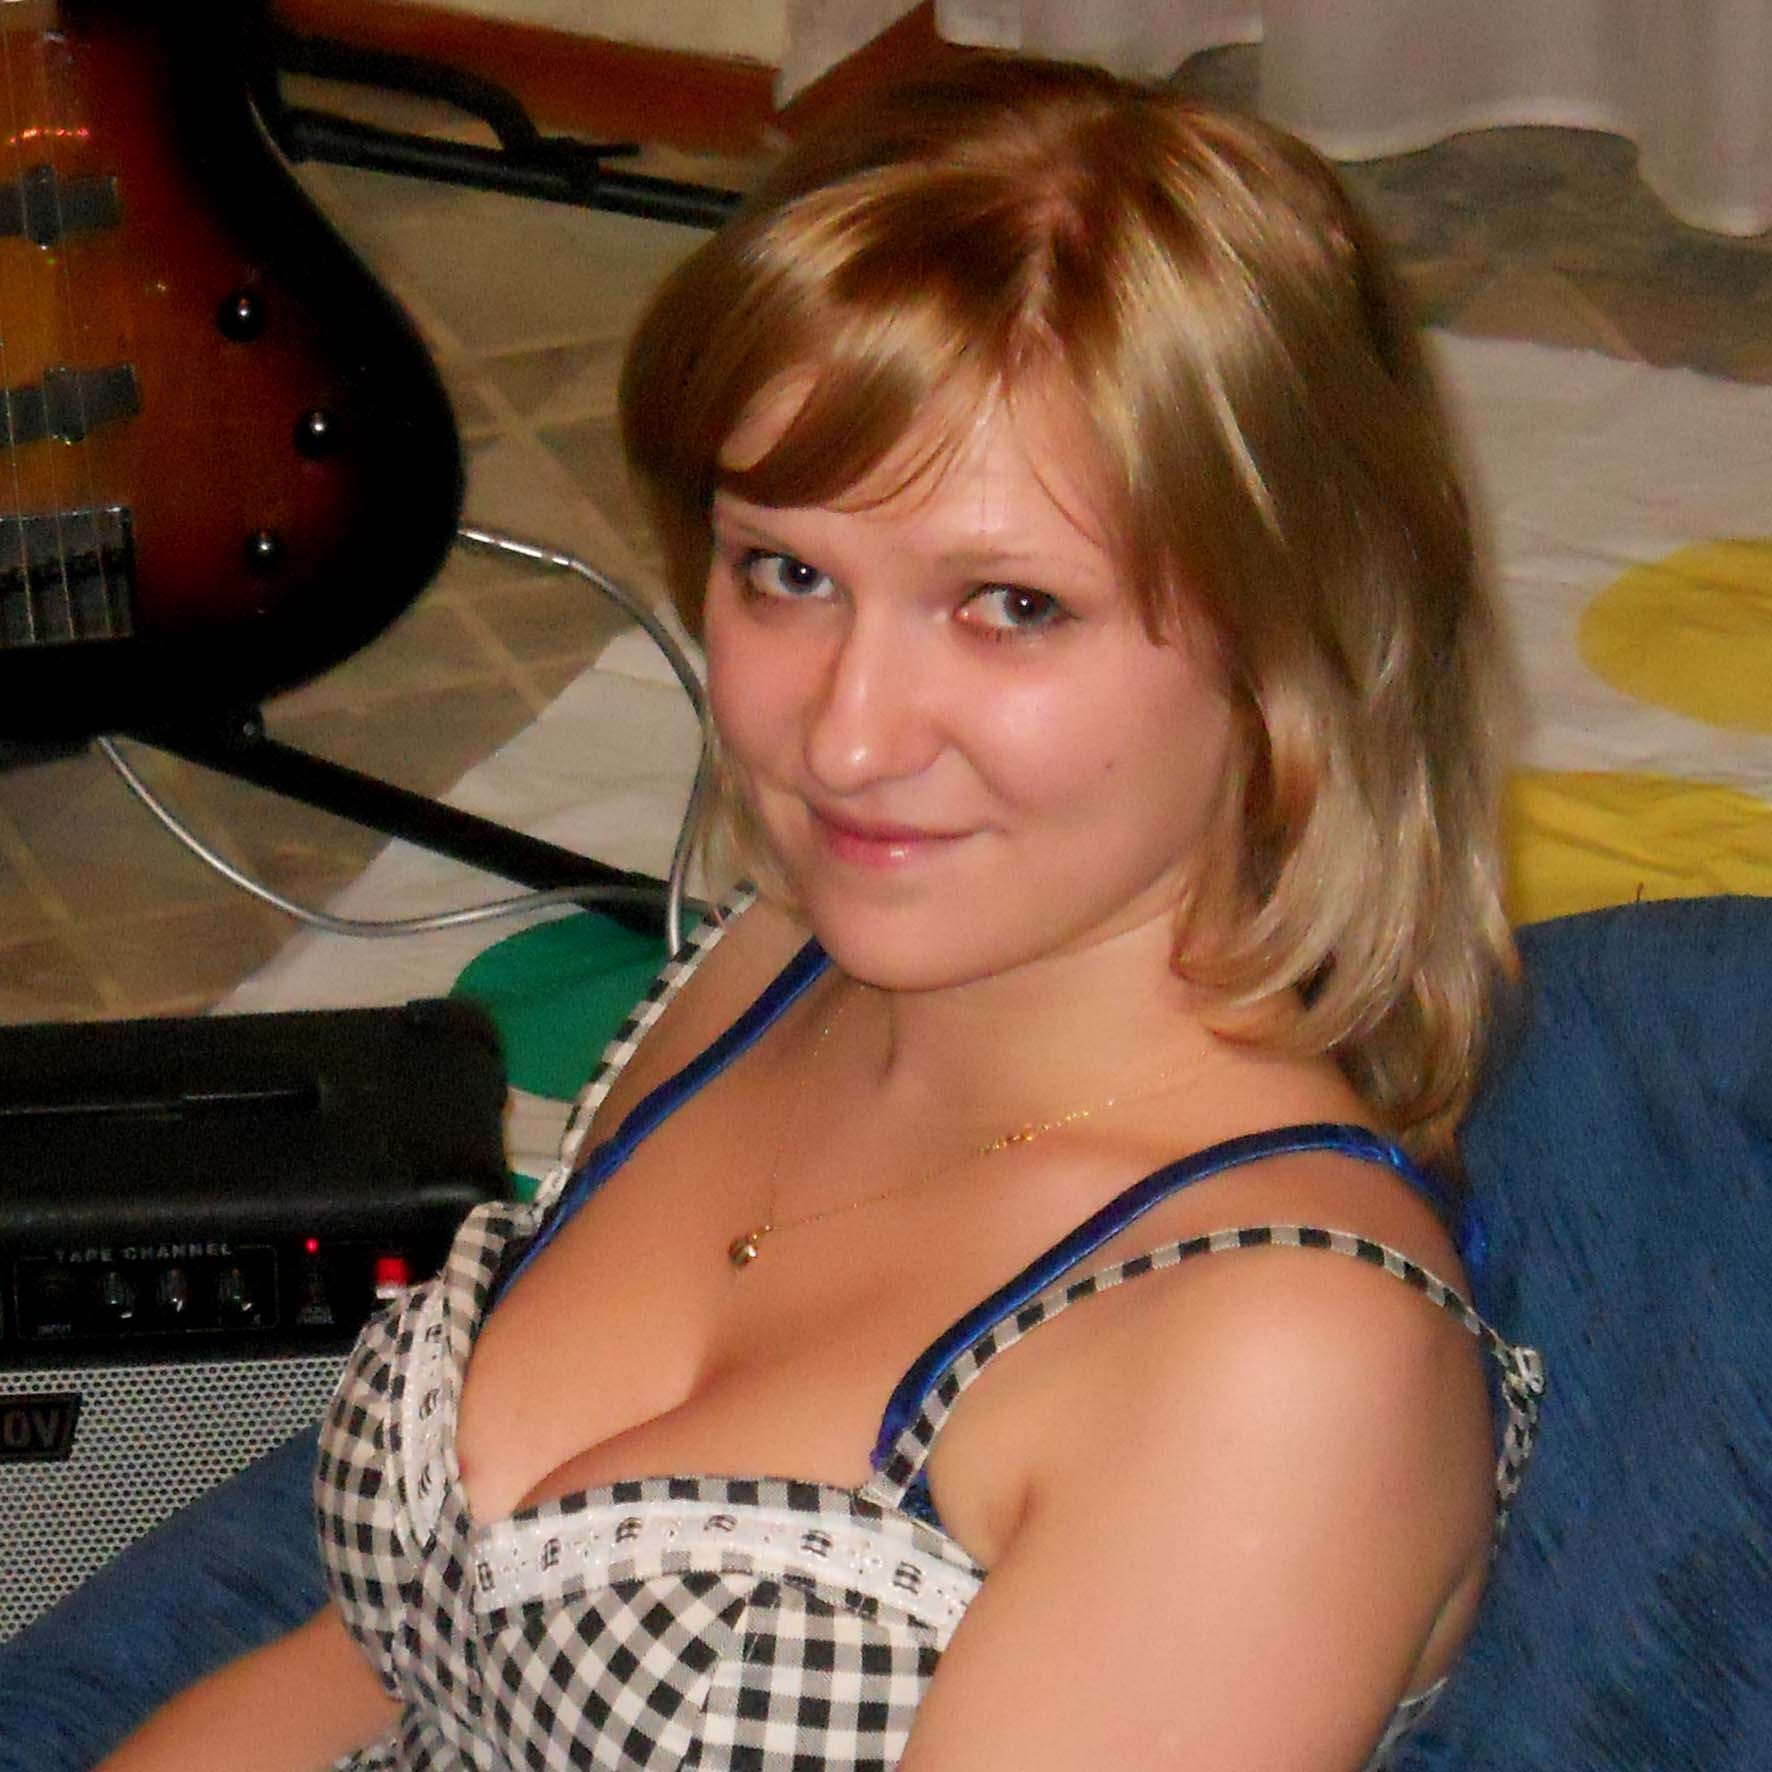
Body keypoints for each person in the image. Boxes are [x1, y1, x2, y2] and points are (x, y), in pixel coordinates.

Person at [93, 56, 1541, 1771]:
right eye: (787, 572)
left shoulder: (1279, 1365)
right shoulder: (767, 971)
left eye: (1010, 605)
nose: (844, 741)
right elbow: (385, 1659)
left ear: (1301, 634)